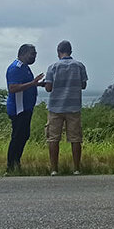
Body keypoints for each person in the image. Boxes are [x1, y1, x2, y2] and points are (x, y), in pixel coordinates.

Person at [43, 40, 88, 176]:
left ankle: (54, 169)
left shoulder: (53, 67)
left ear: (58, 52)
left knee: (53, 138)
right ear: (71, 51)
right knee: (75, 139)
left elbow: (48, 88)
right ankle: (76, 168)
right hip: (74, 107)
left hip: (56, 108)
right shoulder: (79, 66)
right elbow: (83, 85)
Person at [6, 44, 44, 174]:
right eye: (32, 54)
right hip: (19, 108)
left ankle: (16, 162)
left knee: (24, 135)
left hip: (26, 108)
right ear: (23, 53)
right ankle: (11, 165)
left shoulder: (25, 68)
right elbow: (13, 88)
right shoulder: (16, 68)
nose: (34, 56)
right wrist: (33, 83)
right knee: (17, 136)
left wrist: (38, 84)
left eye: (35, 54)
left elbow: (26, 84)